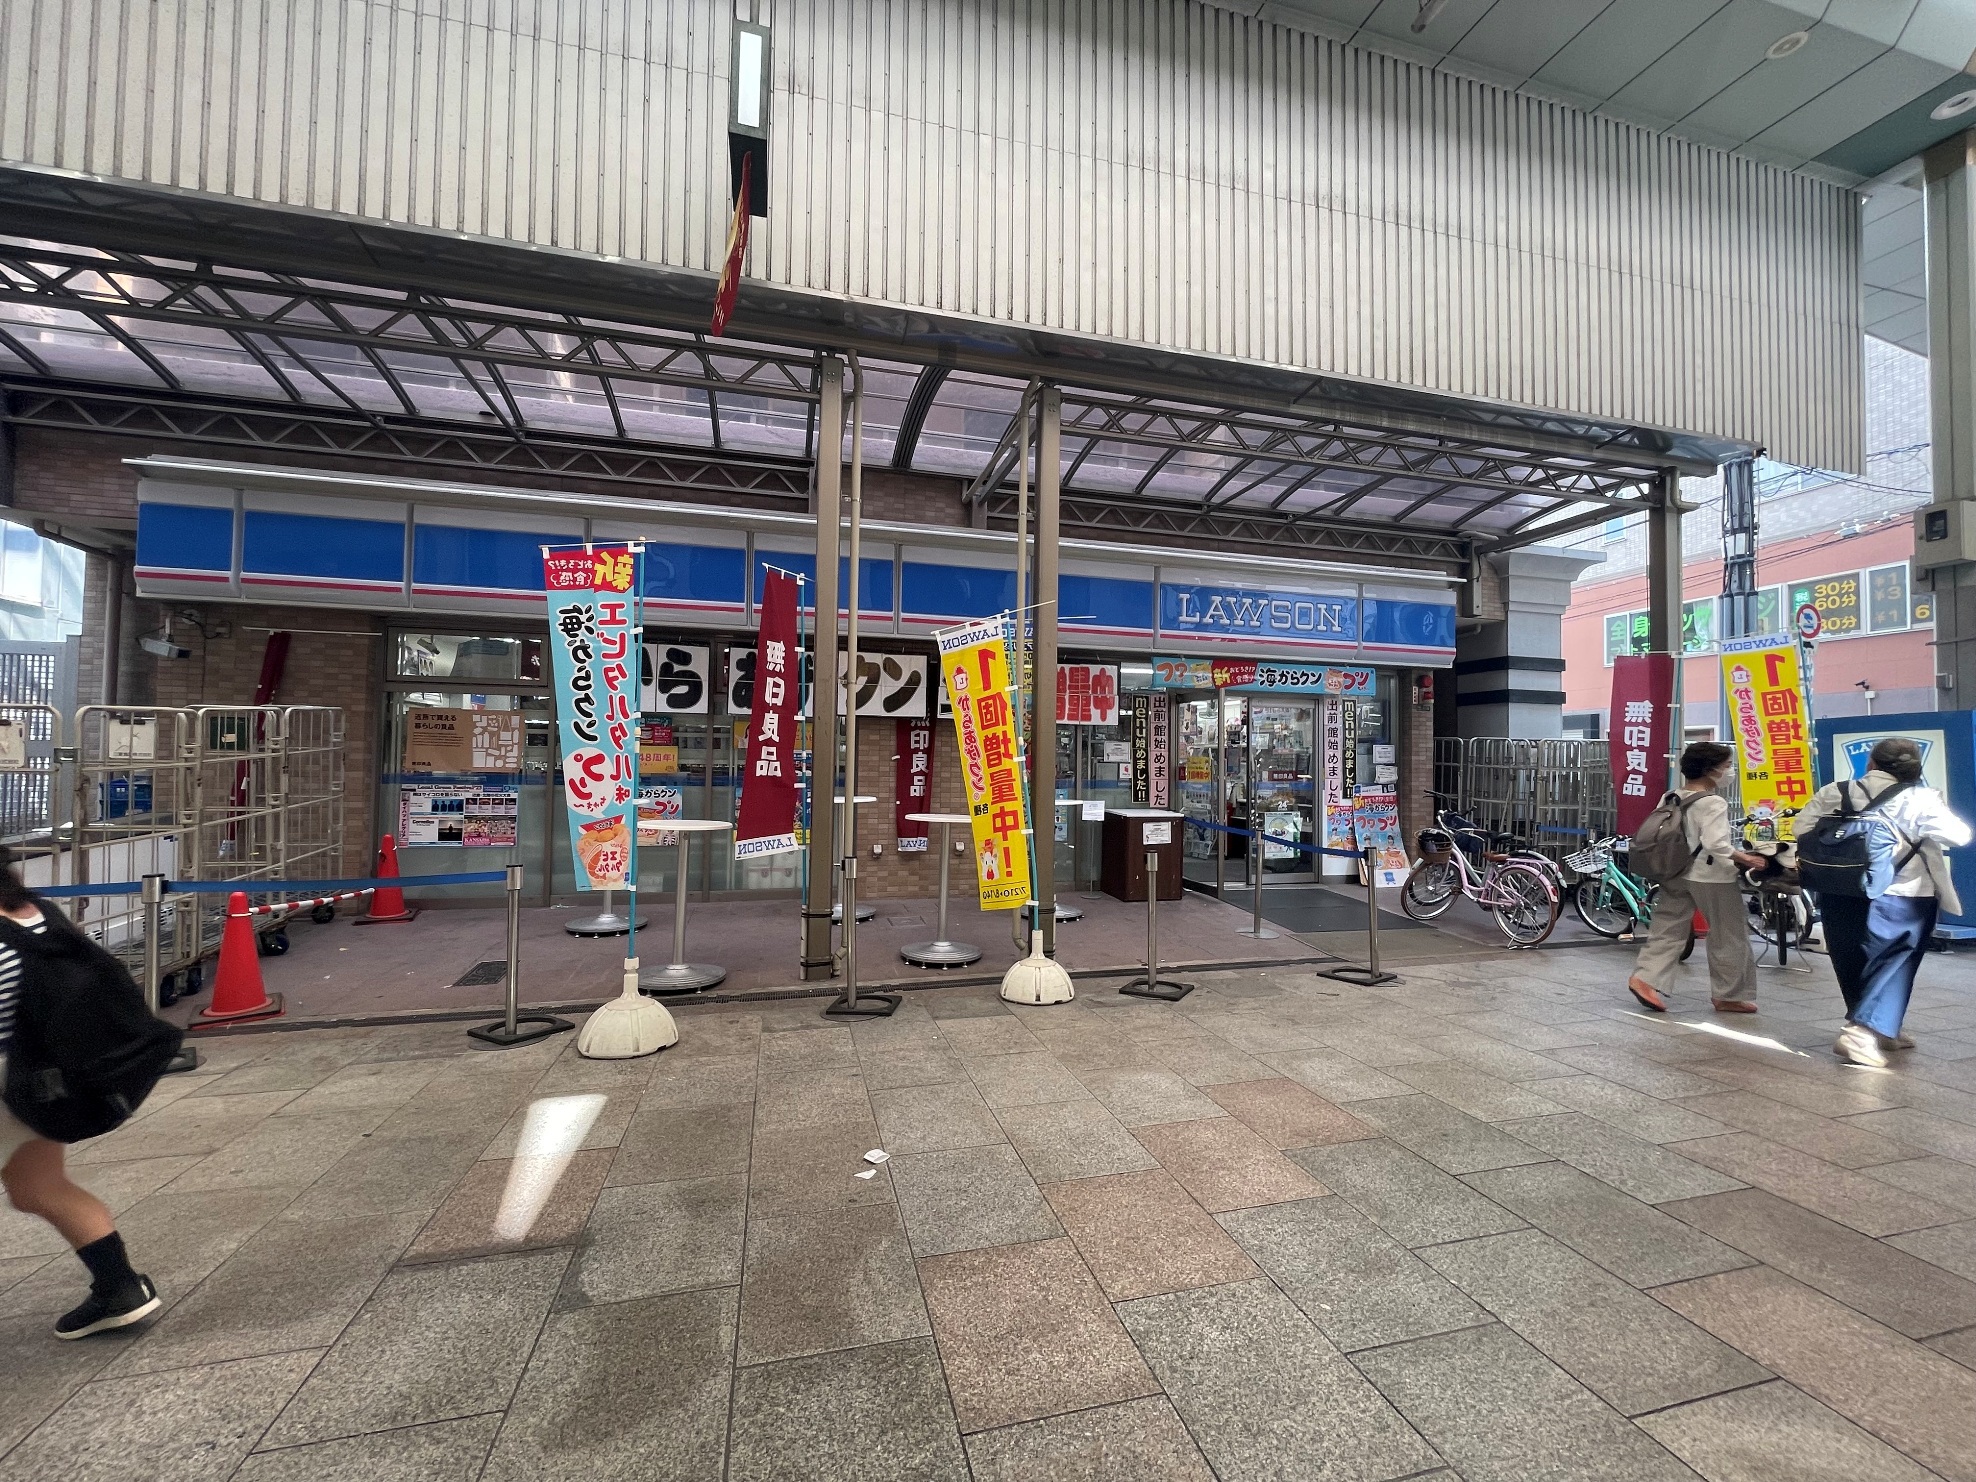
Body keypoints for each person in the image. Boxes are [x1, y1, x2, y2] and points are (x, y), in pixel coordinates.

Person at [0, 851, 160, 1337]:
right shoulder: (35, 913)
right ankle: (120, 1288)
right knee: (39, 1188)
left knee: (40, 1189)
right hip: (34, 1081)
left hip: (9, 1085)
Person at [1795, 736, 1970, 1068]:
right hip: (1902, 894)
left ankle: (1883, 1029)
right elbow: (1960, 836)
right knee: (1894, 964)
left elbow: (1801, 828)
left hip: (1841, 888)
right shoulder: (1919, 798)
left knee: (1850, 959)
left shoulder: (1836, 791)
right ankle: (1860, 1033)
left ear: (1871, 763)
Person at [1628, 741, 1763, 1015]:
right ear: (1711, 770)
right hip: (1711, 876)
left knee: (1667, 929)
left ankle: (1645, 979)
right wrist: (1746, 859)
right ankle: (1729, 995)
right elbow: (1716, 844)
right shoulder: (1713, 802)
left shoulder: (1671, 796)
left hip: (1674, 871)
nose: (1730, 772)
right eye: (1727, 766)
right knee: (1728, 934)